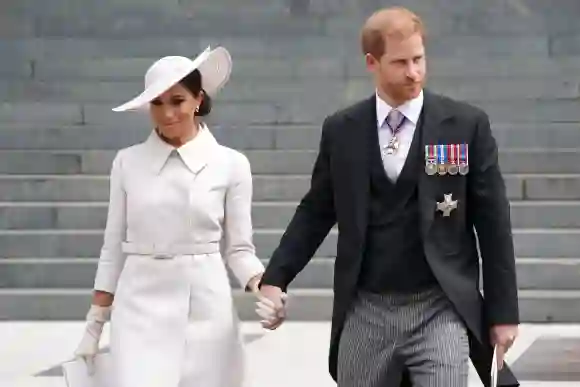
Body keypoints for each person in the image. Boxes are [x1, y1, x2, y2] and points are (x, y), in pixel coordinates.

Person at [257, 7, 520, 387]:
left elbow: (494, 222)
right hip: (366, 307)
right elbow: (315, 211)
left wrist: (504, 311)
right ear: (372, 62)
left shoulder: (465, 124)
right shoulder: (342, 130)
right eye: (400, 62)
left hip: (439, 306)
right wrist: (276, 277)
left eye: (419, 59)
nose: (413, 72)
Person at [73, 46, 269, 387]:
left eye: (177, 100)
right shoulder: (127, 162)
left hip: (206, 308)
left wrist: (264, 287)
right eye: (157, 103)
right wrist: (94, 325)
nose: (166, 114)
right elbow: (113, 247)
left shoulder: (231, 164)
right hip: (138, 305)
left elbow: (239, 249)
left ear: (198, 99)